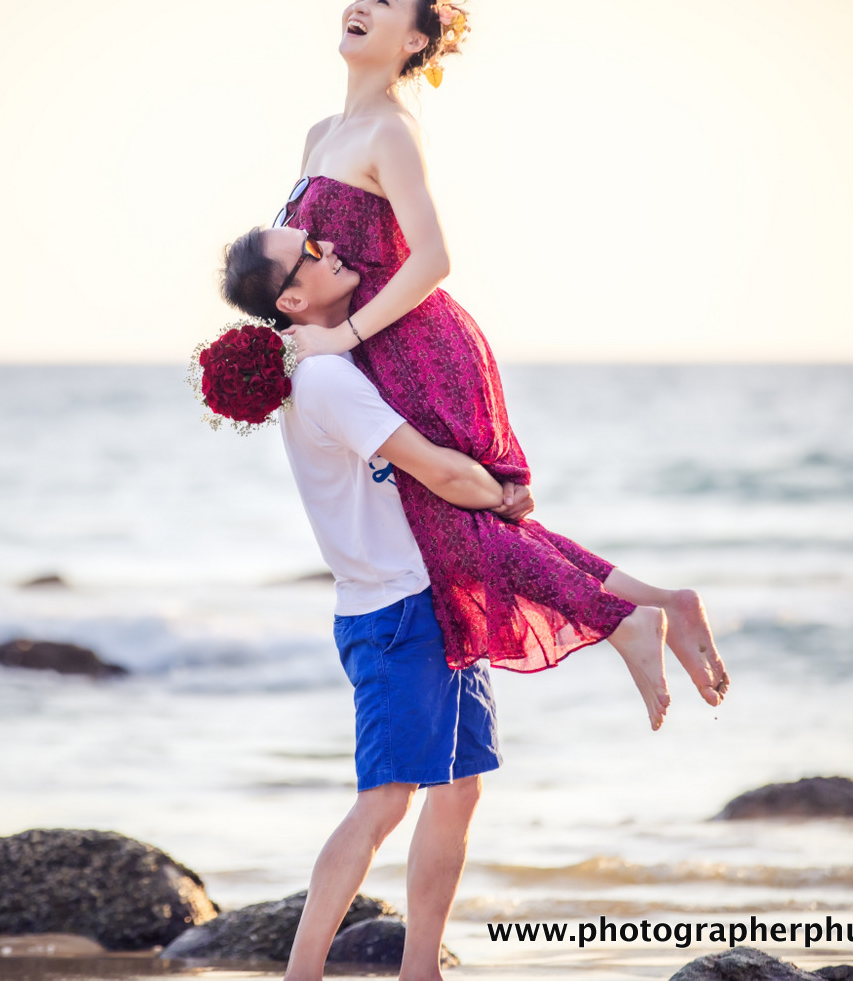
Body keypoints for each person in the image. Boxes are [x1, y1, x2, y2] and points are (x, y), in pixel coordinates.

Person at [219, 0, 727, 729]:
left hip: (418, 342)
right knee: (477, 523)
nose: (360, 4)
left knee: (456, 527)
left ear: (416, 40)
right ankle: (657, 603)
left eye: (384, 2)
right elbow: (293, 266)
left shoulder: (391, 128)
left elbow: (433, 257)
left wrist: (344, 338)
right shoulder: (322, 134)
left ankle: (627, 621)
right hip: (375, 351)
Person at [245, 236, 672, 981]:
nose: (332, 242)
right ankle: (301, 972)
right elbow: (437, 470)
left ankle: (421, 970)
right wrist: (501, 493)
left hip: (431, 595)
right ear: (291, 299)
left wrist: (490, 491)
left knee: (461, 788)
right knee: (384, 801)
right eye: (310, 247)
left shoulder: (338, 364)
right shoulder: (324, 381)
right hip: (395, 611)